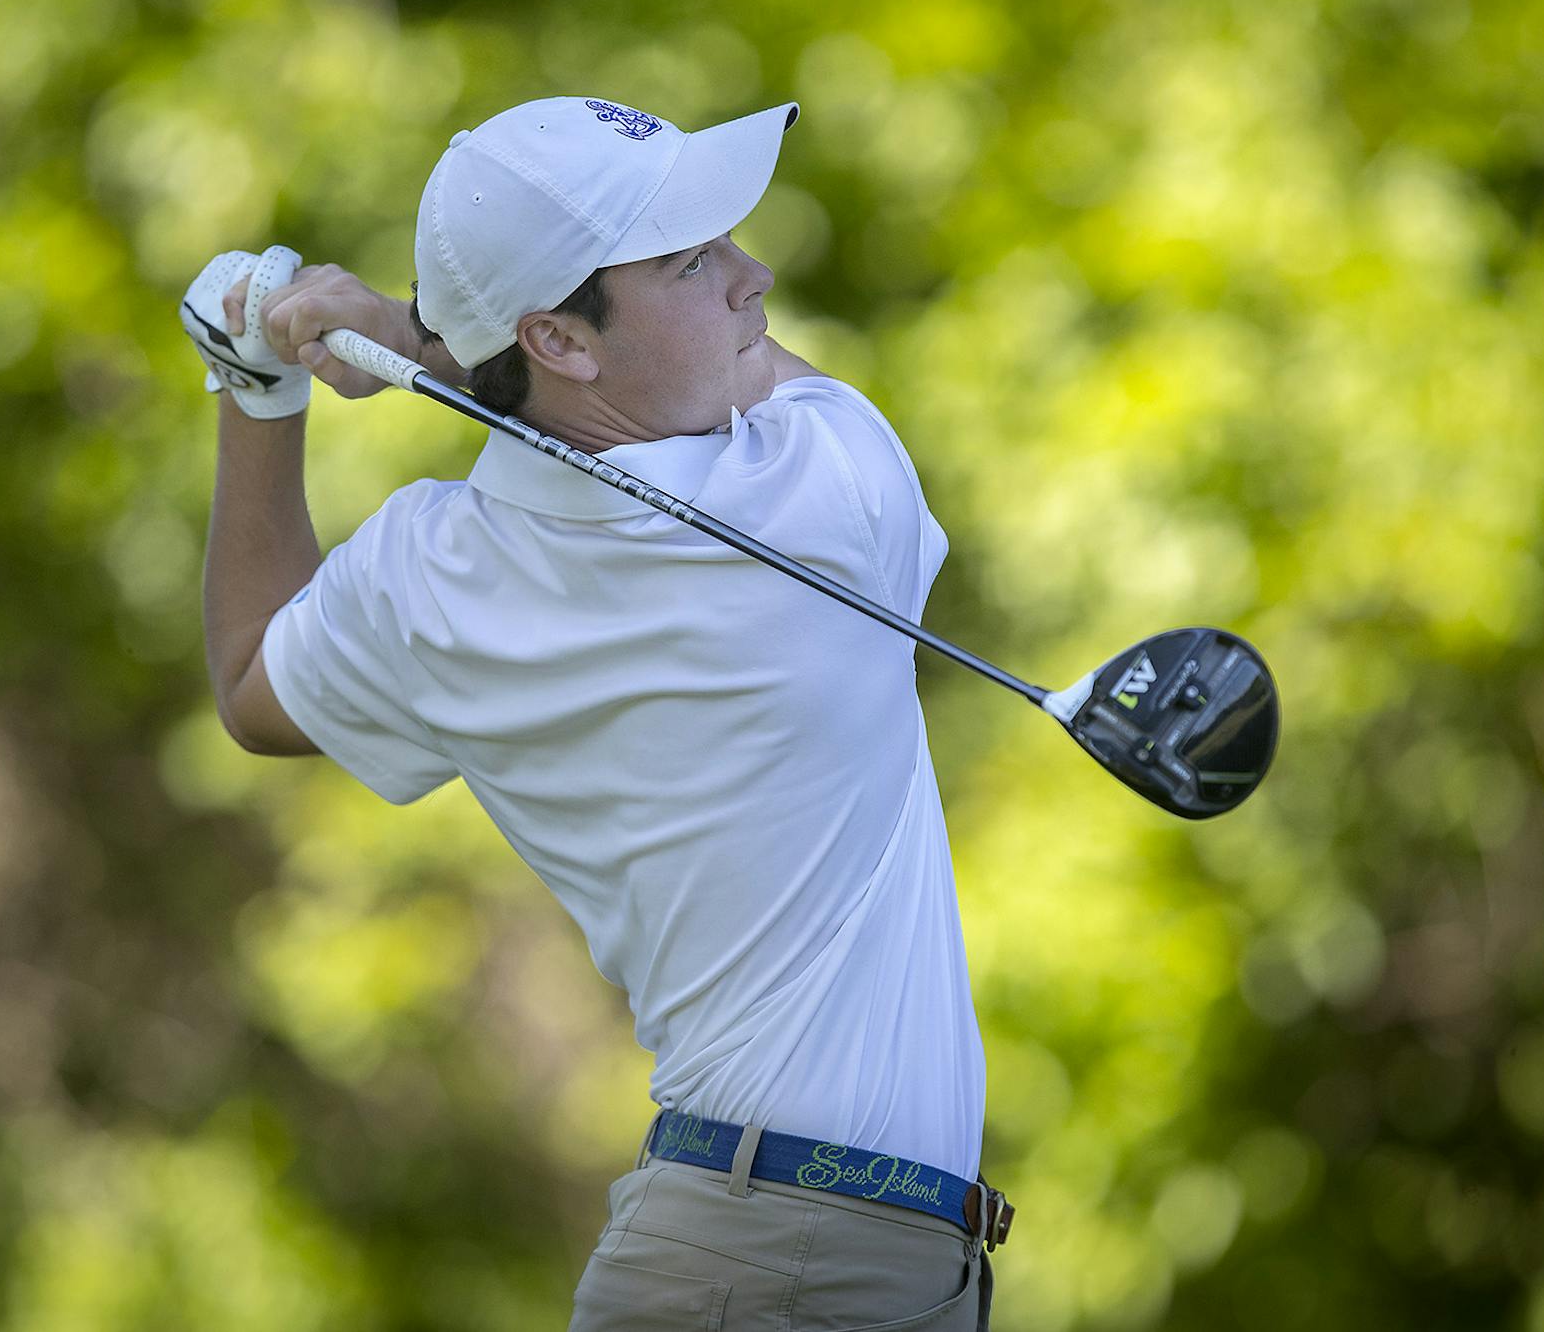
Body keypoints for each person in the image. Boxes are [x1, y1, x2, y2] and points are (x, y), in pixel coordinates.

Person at [183, 95, 1009, 1329]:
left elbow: (251, 684)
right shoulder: (825, 491)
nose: (751, 273)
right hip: (784, 1268)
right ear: (562, 340)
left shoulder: (433, 571)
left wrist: (258, 395)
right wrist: (416, 339)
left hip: (784, 1258)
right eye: (690, 260)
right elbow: (753, 378)